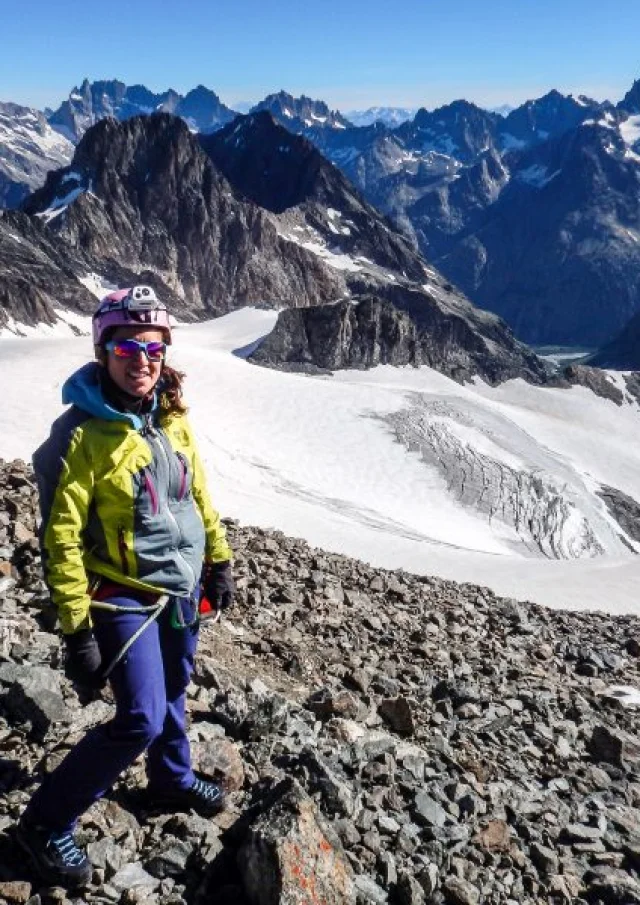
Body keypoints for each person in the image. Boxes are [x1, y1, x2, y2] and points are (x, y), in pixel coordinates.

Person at [17, 286, 235, 889]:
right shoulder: (85, 435)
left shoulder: (171, 418)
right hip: (122, 595)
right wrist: (75, 628)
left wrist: (219, 557)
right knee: (137, 715)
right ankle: (43, 823)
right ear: (103, 350)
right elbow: (60, 536)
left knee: (174, 687)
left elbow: (196, 495)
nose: (143, 358)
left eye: (154, 346)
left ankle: (171, 778)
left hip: (180, 587)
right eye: (127, 346)